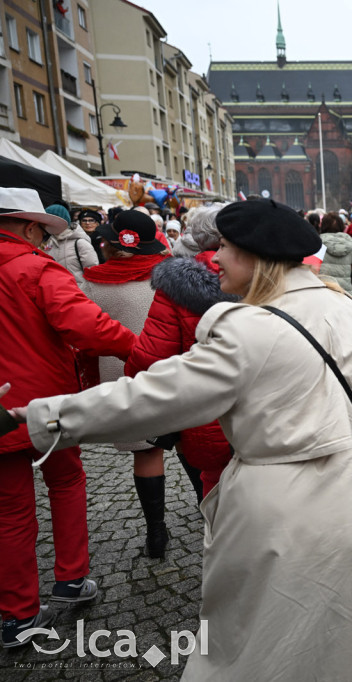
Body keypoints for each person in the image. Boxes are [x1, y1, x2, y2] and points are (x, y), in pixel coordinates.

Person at [10, 198, 352, 679]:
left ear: (254, 256)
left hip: (282, 509)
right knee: (349, 638)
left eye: (225, 246)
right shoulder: (343, 305)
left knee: (258, 646)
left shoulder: (250, 329)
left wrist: (32, 417)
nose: (215, 257)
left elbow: (148, 398)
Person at [0, 188, 135, 650]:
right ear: (29, 227)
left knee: (9, 513)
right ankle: (71, 579)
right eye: (40, 231)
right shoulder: (36, 268)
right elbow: (88, 326)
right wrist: (141, 350)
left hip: (1, 412)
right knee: (66, 483)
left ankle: (17, 615)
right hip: (47, 406)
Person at [124, 205, 235, 503]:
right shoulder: (263, 275)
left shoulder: (176, 284)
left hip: (203, 411)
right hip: (261, 414)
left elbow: (149, 357)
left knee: (215, 491)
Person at [82, 211, 171, 558]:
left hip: (125, 378)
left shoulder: (91, 283)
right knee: (196, 448)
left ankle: (155, 535)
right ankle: (213, 521)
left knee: (146, 451)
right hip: (172, 369)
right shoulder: (167, 277)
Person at [41, 203, 98, 287]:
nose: (45, 225)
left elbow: (93, 273)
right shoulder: (46, 242)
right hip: (54, 294)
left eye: (49, 221)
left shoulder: (80, 243)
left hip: (79, 295)